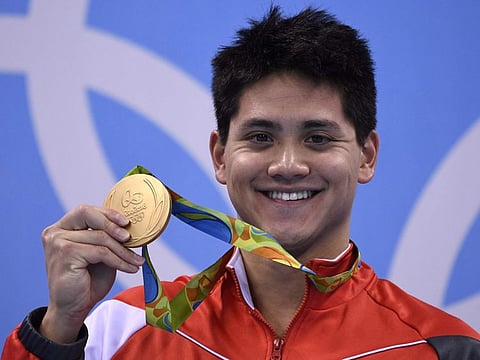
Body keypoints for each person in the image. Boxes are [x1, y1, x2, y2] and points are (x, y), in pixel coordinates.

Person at [3, 6, 480, 359]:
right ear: (220, 156)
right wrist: (58, 330)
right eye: (260, 137)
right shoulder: (116, 332)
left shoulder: (446, 347)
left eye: (317, 137)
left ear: (366, 155)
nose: (287, 164)